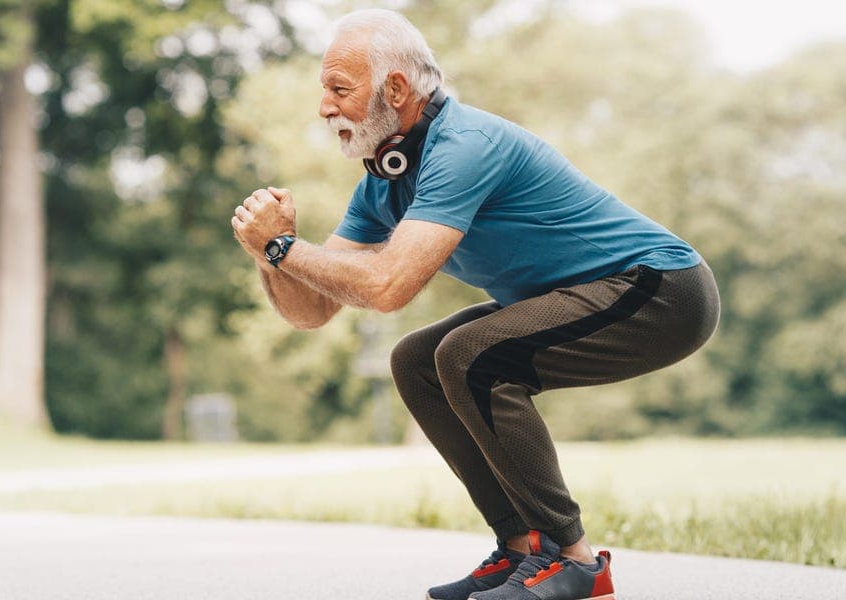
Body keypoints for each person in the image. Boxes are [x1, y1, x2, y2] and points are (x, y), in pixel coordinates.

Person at [230, 9, 720, 600]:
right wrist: (268, 255)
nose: (324, 108)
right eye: (324, 92)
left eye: (339, 89)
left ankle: (576, 562)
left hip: (661, 289)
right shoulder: (383, 183)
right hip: (592, 294)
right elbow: (311, 311)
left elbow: (387, 287)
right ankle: (523, 551)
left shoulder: (463, 144)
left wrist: (283, 245)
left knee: (471, 356)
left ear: (395, 89)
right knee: (416, 360)